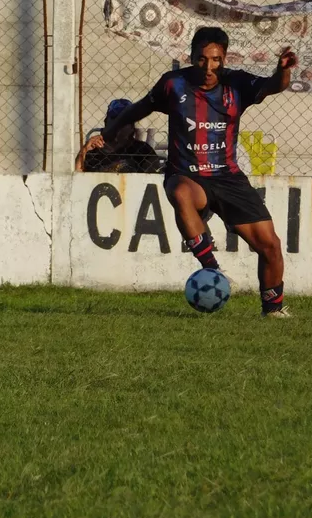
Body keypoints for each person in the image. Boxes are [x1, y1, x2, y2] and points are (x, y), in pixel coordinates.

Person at [100, 26, 297, 318]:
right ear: (192, 57)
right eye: (202, 59)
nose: (209, 67)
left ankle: (273, 310)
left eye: (216, 59)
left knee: (270, 245)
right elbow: (140, 108)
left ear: (224, 58)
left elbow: (272, 86)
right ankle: (213, 270)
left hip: (228, 177)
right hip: (187, 175)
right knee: (180, 193)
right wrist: (110, 131)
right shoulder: (174, 84)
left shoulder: (237, 84)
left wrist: (283, 71)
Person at [76, 98, 161, 173]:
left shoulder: (142, 150)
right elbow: (77, 176)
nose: (119, 124)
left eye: (124, 120)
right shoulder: (94, 150)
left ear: (131, 125)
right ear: (106, 122)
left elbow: (154, 177)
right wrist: (84, 149)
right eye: (115, 119)